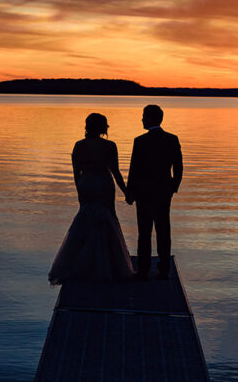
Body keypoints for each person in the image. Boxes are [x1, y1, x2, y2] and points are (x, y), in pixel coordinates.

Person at [48, 113, 135, 285]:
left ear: (87, 126)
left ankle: (81, 264)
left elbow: (76, 172)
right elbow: (116, 172)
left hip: (86, 183)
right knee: (106, 220)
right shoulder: (110, 146)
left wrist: (79, 190)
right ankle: (106, 265)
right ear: (103, 127)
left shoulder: (79, 145)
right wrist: (126, 192)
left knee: (85, 219)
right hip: (103, 183)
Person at [126, 104, 183, 280]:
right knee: (163, 229)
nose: (142, 119)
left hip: (144, 192)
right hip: (163, 192)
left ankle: (143, 270)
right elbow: (179, 167)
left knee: (144, 232)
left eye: (144, 116)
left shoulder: (140, 141)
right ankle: (164, 269)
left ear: (150, 118)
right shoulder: (172, 139)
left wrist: (130, 192)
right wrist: (173, 187)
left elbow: (134, 169)